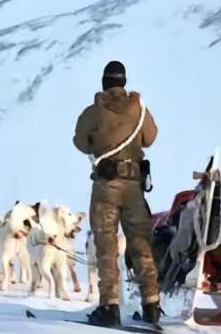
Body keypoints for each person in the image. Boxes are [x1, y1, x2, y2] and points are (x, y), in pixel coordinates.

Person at [73, 60, 160, 326]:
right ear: (124, 82)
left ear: (104, 83)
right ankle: (152, 305)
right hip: (134, 187)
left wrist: (100, 141)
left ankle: (110, 307)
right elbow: (150, 138)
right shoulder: (140, 109)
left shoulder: (94, 111)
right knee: (141, 245)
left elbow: (80, 142)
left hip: (106, 187)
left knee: (107, 247)